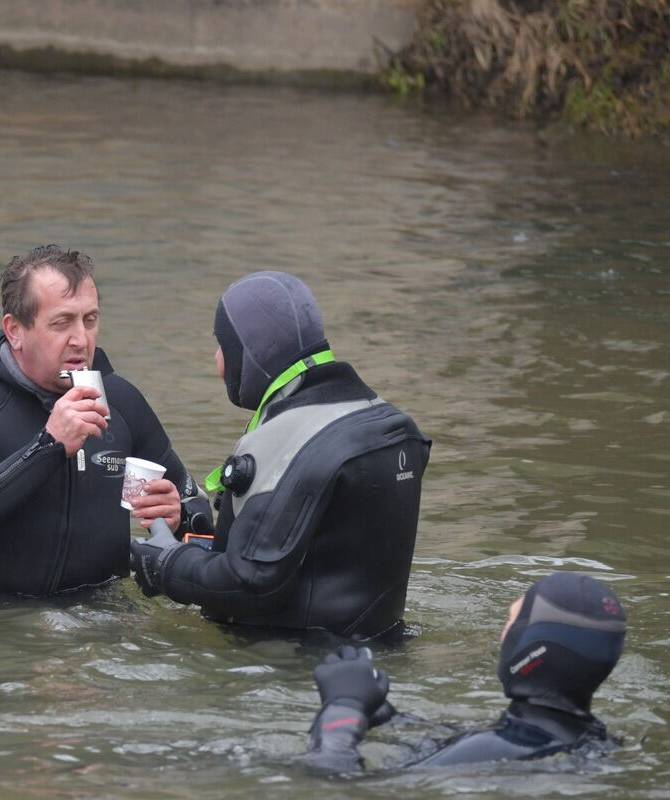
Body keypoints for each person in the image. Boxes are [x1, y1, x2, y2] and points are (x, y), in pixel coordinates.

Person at [129, 271, 431, 638]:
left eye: (223, 345)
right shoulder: (386, 422)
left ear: (250, 351)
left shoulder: (285, 439)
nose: (218, 361)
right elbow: (311, 550)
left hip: (287, 669)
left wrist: (166, 564)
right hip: (378, 650)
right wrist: (187, 532)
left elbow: (249, 582)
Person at [0, 245, 210, 596]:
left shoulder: (123, 403)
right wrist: (48, 446)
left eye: (90, 320)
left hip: (103, 621)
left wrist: (175, 520)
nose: (81, 339)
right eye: (62, 322)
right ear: (15, 330)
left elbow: (201, 519)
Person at [306, 572, 628, 772]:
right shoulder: (585, 738)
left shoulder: (501, 750)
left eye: (511, 622)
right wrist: (391, 719)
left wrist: (342, 713)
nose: (502, 636)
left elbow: (334, 781)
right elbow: (469, 746)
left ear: (534, 648)